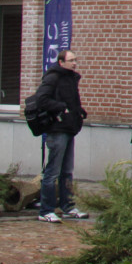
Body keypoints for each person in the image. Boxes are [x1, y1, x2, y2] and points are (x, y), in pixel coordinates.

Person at [33, 49, 88, 222]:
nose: (74, 63)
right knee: (52, 171)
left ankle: (68, 206)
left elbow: (73, 101)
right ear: (61, 62)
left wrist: (79, 112)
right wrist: (61, 108)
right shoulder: (52, 77)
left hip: (69, 127)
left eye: (75, 60)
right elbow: (41, 99)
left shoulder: (71, 78)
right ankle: (46, 210)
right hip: (57, 129)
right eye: (71, 60)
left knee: (67, 171)